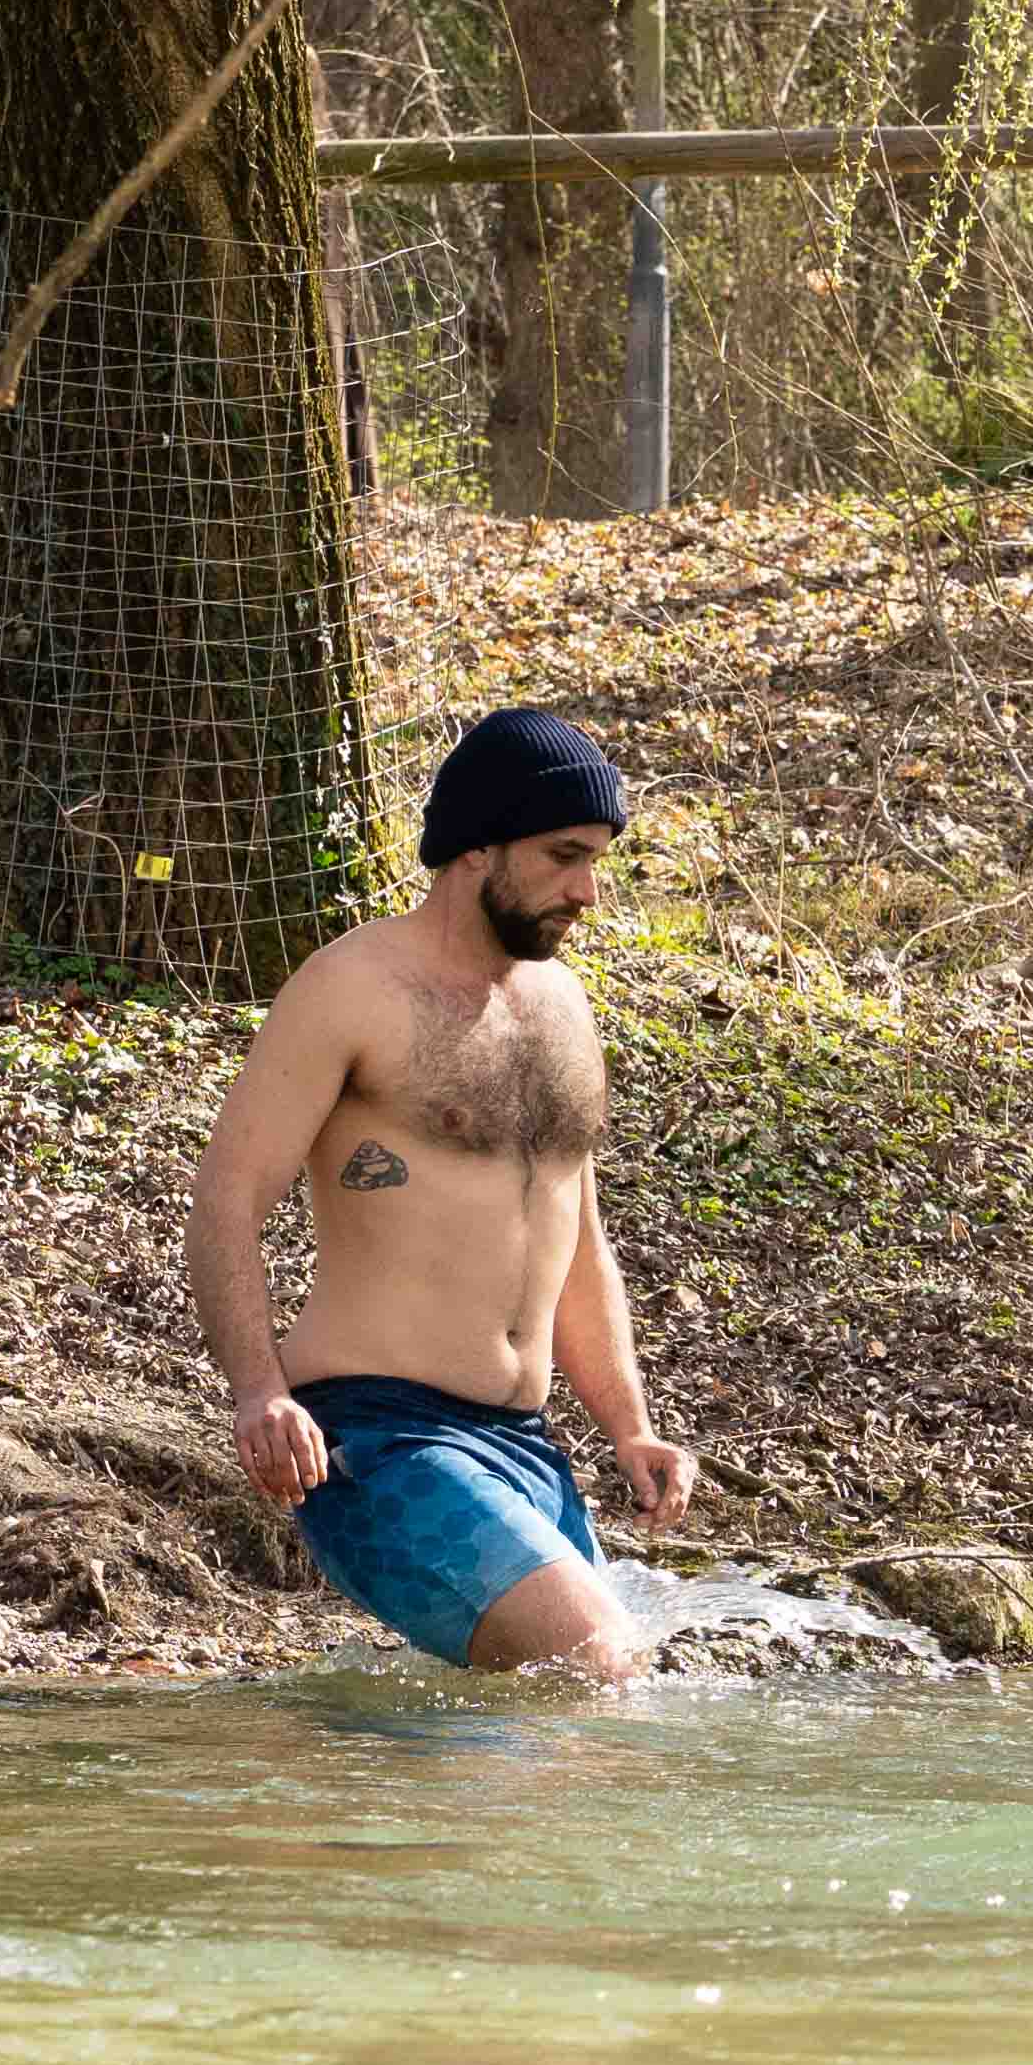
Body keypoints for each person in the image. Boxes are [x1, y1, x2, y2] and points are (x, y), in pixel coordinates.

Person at [197, 706, 700, 1687]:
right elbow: (226, 1197)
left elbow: (577, 1241)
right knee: (597, 1665)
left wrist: (627, 1423)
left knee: (573, 1722)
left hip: (521, 1445)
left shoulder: (561, 1008)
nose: (587, 890)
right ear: (478, 846)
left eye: (597, 858)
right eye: (562, 855)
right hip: (374, 1440)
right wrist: (258, 1391)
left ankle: (356, 1814)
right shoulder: (354, 988)